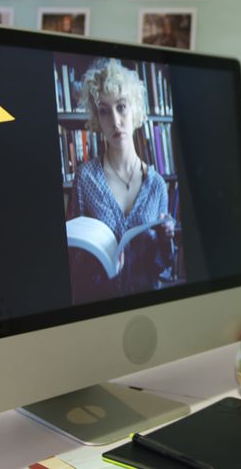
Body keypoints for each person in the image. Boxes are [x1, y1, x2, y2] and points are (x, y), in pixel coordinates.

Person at [66, 58, 175, 304]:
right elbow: (74, 261)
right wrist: (101, 266)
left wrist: (165, 238)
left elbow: (164, 265)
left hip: (146, 308)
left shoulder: (156, 185)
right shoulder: (86, 179)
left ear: (135, 109)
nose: (115, 121)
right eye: (104, 111)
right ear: (96, 118)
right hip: (99, 307)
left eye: (121, 107)